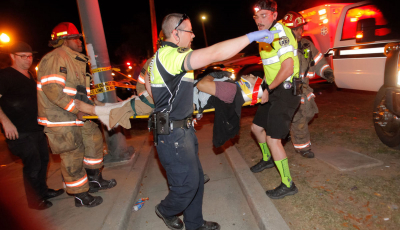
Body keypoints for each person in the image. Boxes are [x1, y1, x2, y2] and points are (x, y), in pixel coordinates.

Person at [147, 13, 278, 230]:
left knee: (197, 181)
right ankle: (165, 209)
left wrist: (182, 111)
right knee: (187, 186)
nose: (194, 35)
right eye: (189, 31)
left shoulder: (161, 58)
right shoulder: (171, 55)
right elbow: (214, 53)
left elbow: (155, 90)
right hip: (173, 136)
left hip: (180, 130)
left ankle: (194, 224)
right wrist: (251, 36)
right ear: (175, 33)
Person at [37, 22, 116, 208]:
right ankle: (80, 194)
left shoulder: (75, 60)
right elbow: (53, 90)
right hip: (61, 118)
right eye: (75, 38)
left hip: (77, 114)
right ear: (63, 40)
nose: (79, 41)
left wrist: (97, 107)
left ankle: (94, 179)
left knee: (94, 140)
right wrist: (77, 110)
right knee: (72, 155)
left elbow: (79, 92)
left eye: (79, 38)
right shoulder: (56, 58)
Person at [0, 41, 64, 210]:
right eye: (23, 56)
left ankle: (43, 191)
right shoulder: (5, 75)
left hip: (36, 128)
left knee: (43, 161)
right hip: (19, 131)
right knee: (33, 164)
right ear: (12, 56)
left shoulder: (29, 76)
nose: (28, 60)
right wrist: (5, 122)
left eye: (30, 56)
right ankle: (35, 201)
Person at [249, 0, 301, 199]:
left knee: (273, 138)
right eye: (256, 17)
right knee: (256, 128)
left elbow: (287, 68)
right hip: (273, 89)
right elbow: (271, 66)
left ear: (273, 15)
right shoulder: (263, 37)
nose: (259, 20)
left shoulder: (281, 33)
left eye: (264, 16)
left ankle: (288, 184)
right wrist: (263, 85)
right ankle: (268, 159)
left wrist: (267, 89)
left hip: (286, 91)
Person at [282, 11, 335, 158]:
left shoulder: (306, 44)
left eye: (301, 28)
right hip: (289, 89)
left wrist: (327, 72)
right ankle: (303, 147)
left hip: (304, 88)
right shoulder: (282, 47)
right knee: (299, 117)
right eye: (296, 29)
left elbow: (318, 61)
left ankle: (287, 130)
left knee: (309, 114)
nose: (300, 31)